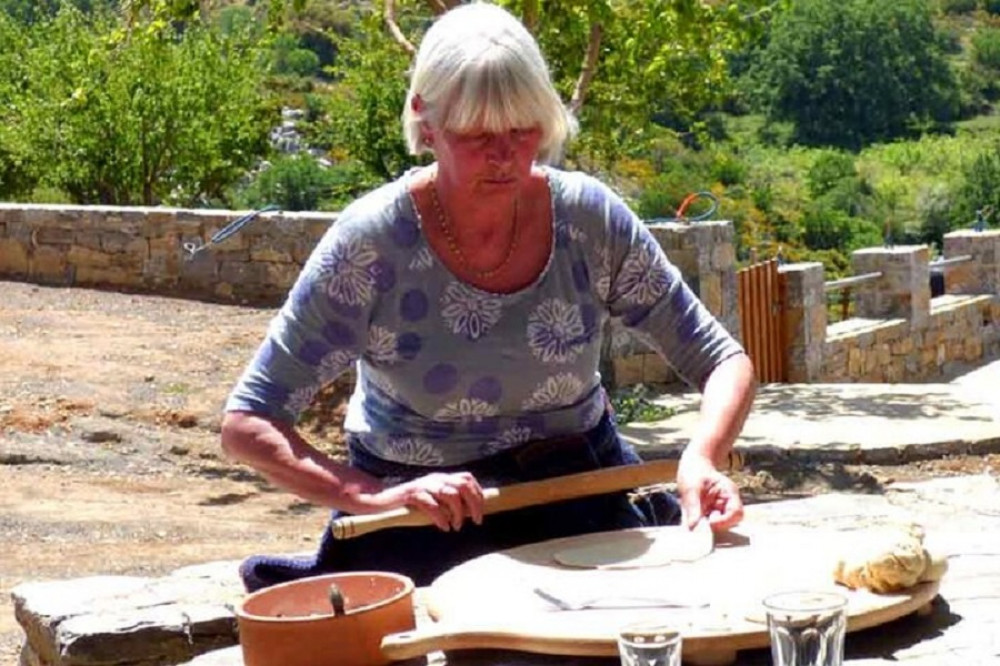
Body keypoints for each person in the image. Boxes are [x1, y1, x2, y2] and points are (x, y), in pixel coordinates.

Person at [221, 1, 756, 593]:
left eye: (522, 130)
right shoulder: (372, 244)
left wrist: (701, 457)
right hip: (422, 520)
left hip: (580, 499)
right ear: (427, 123)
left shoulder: (588, 219)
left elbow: (723, 360)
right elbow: (248, 423)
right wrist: (370, 495)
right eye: (478, 134)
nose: (504, 155)